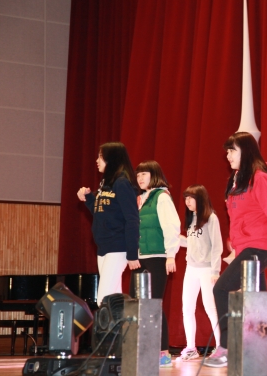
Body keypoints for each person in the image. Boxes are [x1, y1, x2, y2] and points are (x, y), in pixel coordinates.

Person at [204, 132, 267, 369]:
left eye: (232, 150)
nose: (228, 155)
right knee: (256, 303)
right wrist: (234, 247)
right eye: (227, 151)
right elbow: (239, 219)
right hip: (248, 248)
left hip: (260, 247)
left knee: (221, 288)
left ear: (246, 151)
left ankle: (227, 347)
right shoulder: (237, 181)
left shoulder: (260, 178)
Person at [130, 160, 181, 367]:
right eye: (138, 174)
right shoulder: (140, 199)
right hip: (140, 258)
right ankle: (144, 349)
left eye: (144, 174)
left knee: (153, 305)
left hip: (158, 257)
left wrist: (171, 255)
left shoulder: (162, 197)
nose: (140, 178)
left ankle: (163, 352)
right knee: (136, 304)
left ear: (155, 175)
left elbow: (172, 226)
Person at [77, 142, 140, 306]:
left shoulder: (122, 183)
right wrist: (88, 197)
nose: (97, 160)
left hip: (118, 247)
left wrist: (132, 253)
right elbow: (101, 213)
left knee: (104, 300)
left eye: (100, 156)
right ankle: (118, 324)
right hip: (103, 247)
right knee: (113, 300)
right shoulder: (105, 184)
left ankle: (110, 324)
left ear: (111, 159)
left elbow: (132, 219)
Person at [177, 184, 223, 362]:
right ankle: (191, 347)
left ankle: (220, 347)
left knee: (211, 308)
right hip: (191, 268)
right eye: (186, 198)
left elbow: (217, 247)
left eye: (191, 198)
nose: (187, 201)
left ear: (200, 199)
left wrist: (215, 271)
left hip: (207, 269)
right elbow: (192, 243)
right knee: (187, 308)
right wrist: (177, 239)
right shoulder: (192, 219)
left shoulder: (211, 218)